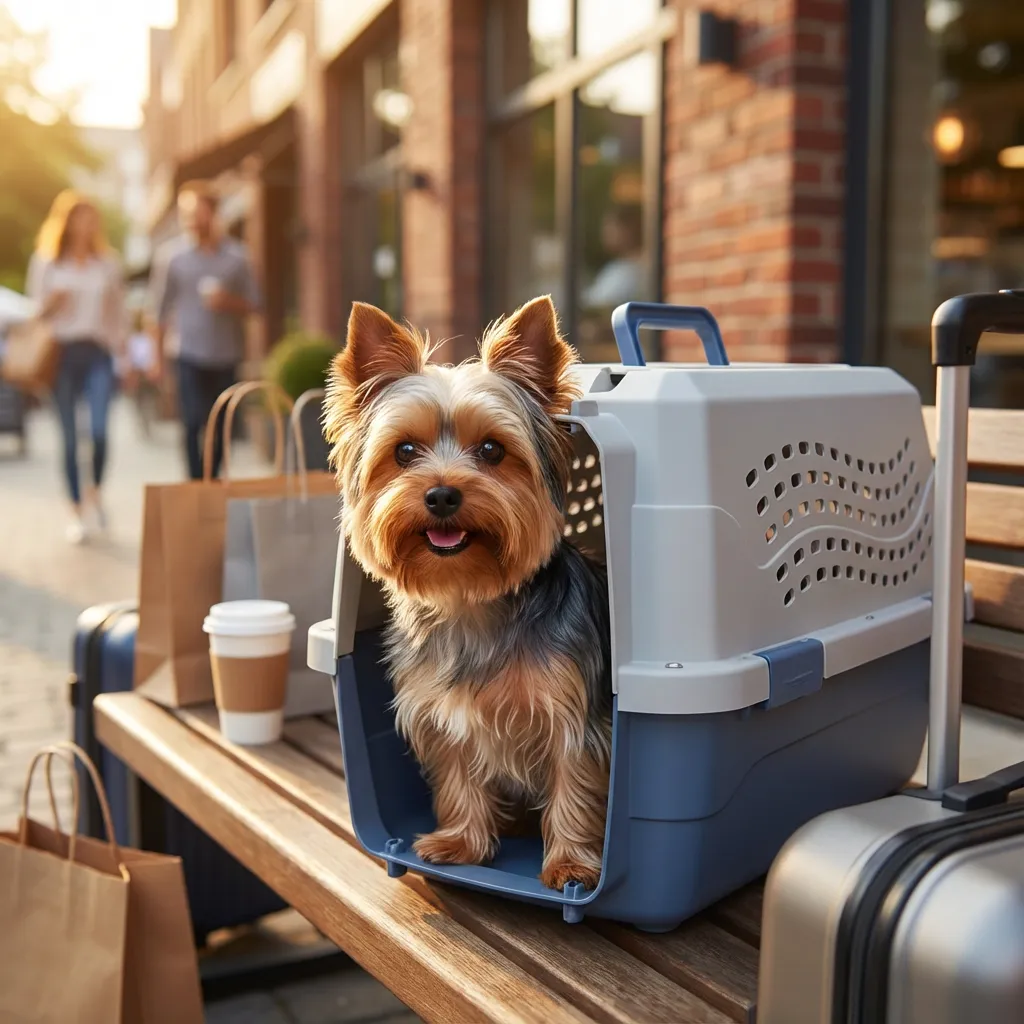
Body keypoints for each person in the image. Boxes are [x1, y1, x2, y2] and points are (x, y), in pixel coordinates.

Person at [27, 190, 127, 543]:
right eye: (78, 218)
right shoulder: (47, 262)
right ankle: (75, 509)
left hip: (98, 352)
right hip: (62, 355)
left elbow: (119, 314)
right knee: (69, 438)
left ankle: (94, 492)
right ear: (66, 222)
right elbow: (35, 314)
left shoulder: (108, 263)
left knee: (99, 432)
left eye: (90, 218)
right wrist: (52, 304)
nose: (86, 225)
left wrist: (125, 354)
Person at [153, 181, 261, 480]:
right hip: (186, 352)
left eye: (198, 213)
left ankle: (210, 481)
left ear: (214, 214)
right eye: (187, 214)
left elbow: (255, 305)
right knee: (192, 421)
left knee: (222, 424)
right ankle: (194, 483)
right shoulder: (171, 257)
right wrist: (156, 361)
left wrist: (229, 302)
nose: (192, 220)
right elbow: (158, 313)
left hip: (226, 354)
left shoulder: (238, 257)